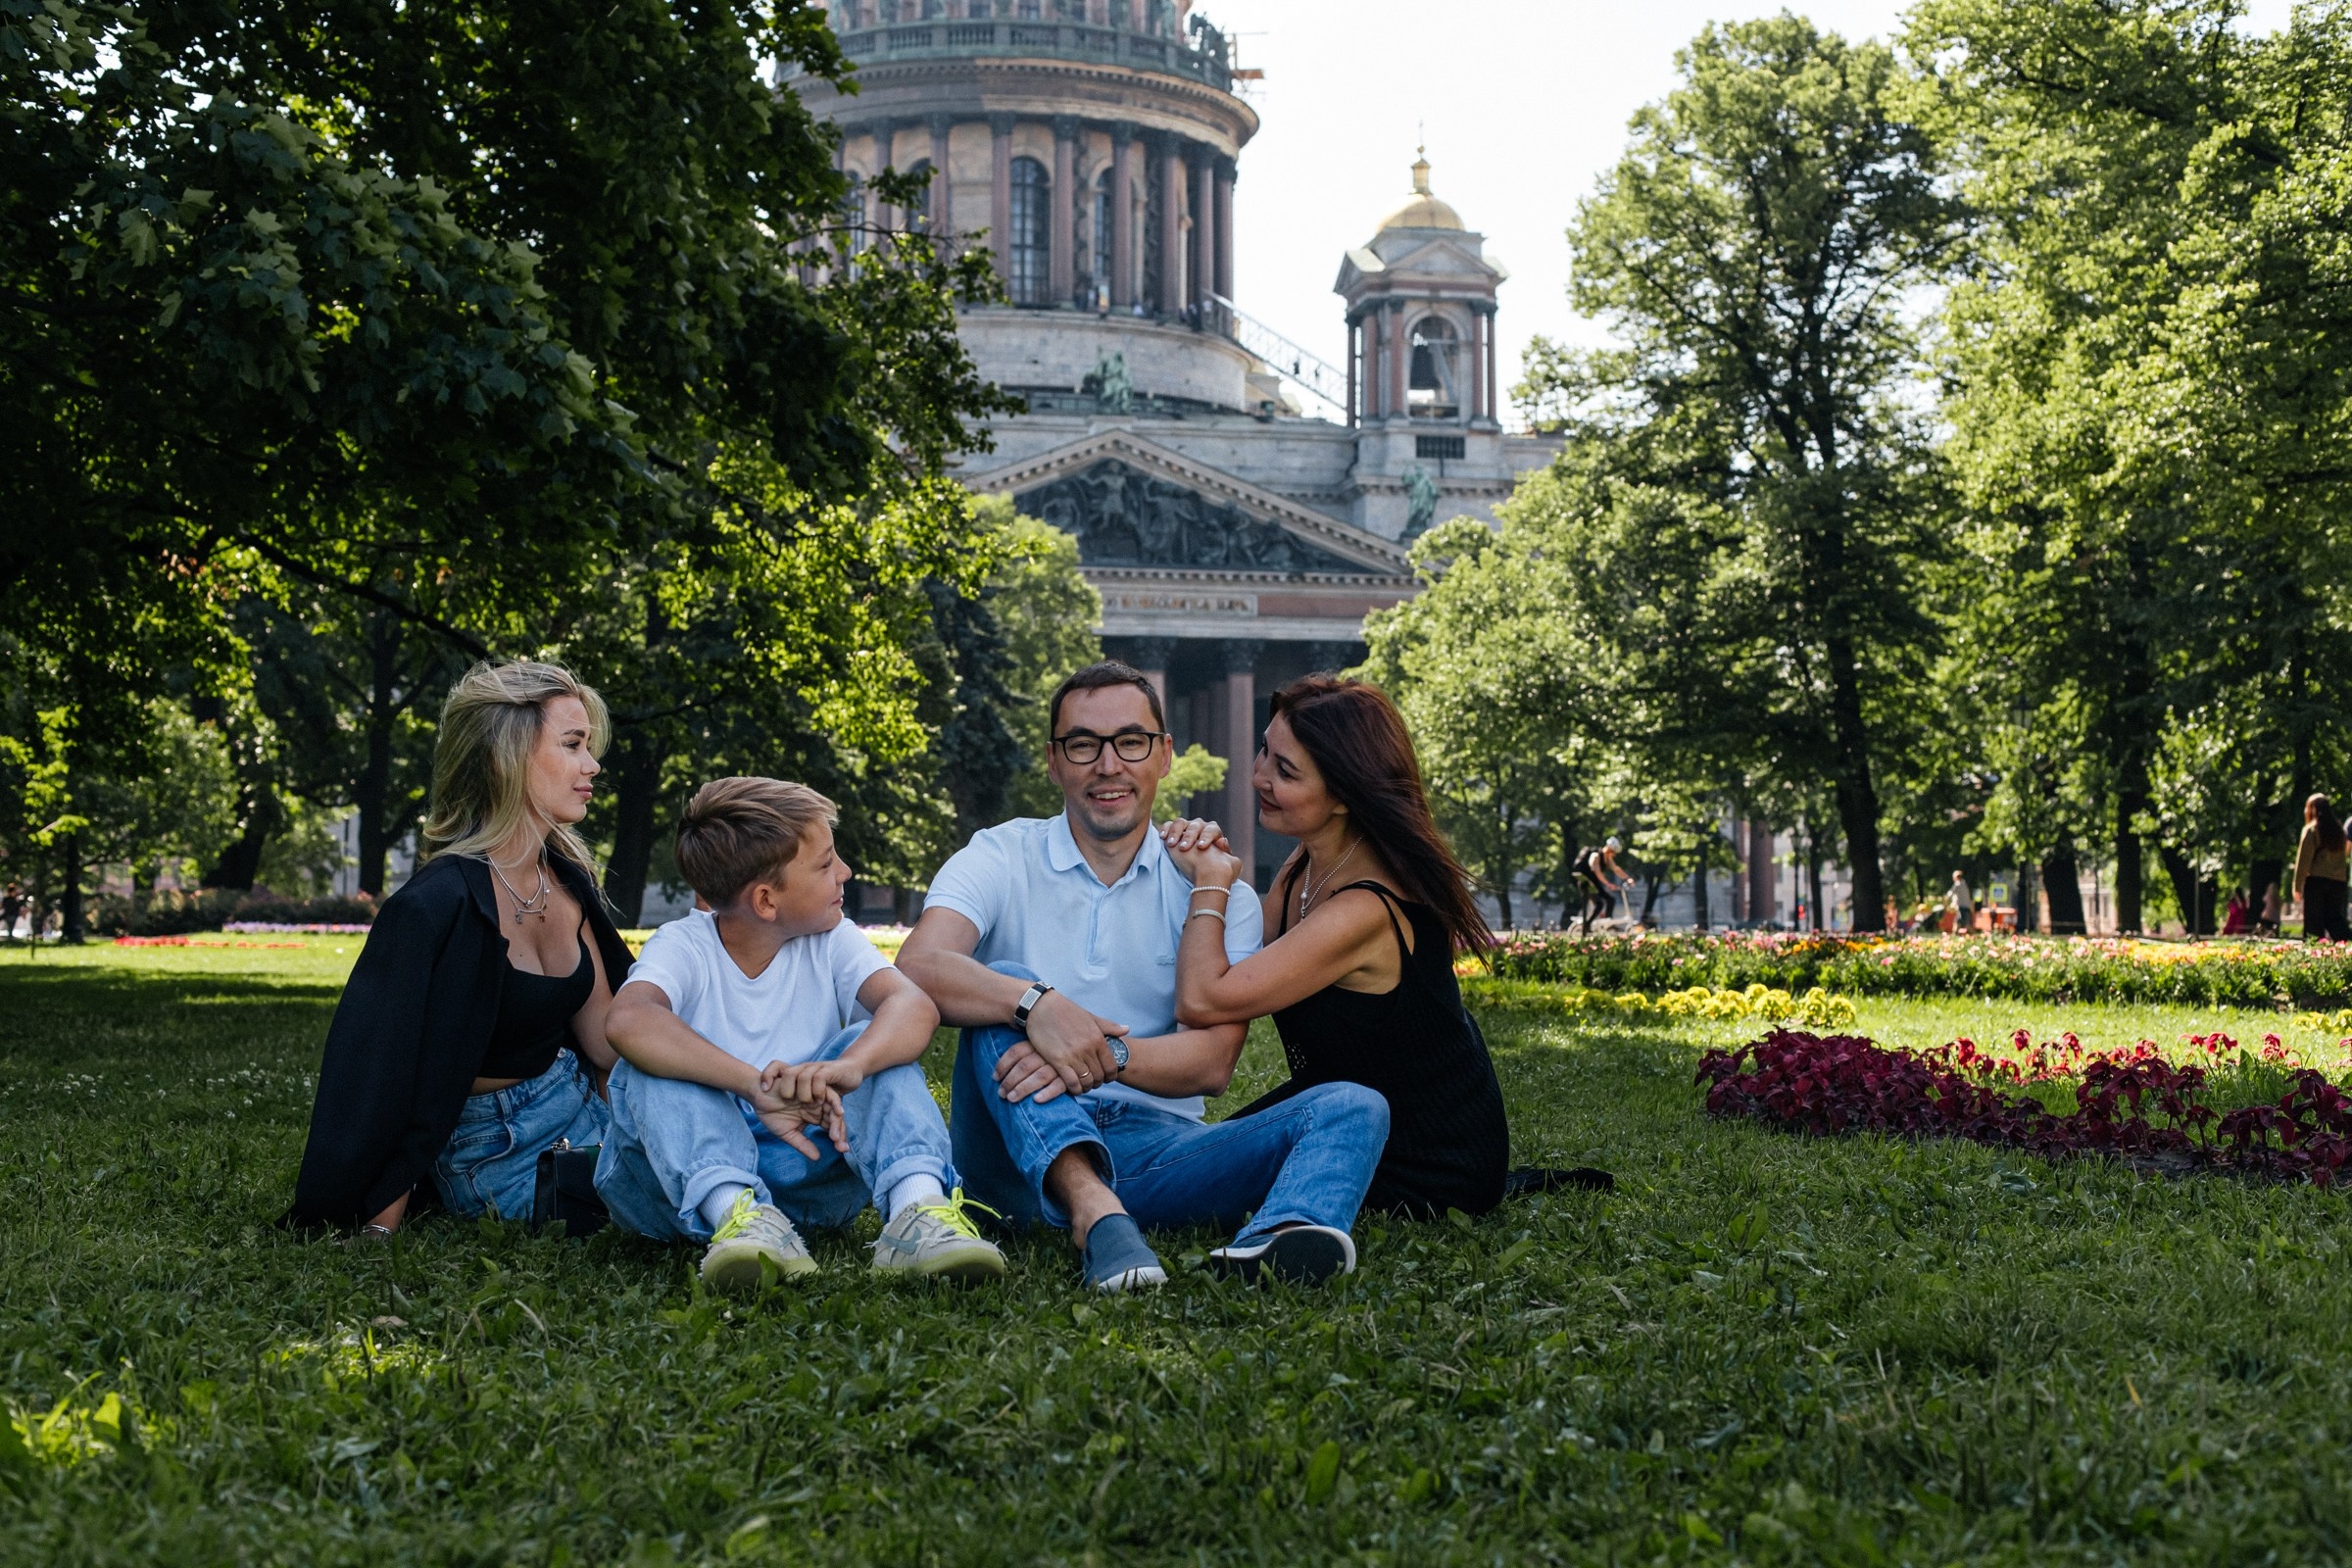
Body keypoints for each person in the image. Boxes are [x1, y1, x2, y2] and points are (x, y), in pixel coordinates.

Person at [895, 661, 1388, 1293]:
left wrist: (1093, 1053)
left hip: (1155, 1153)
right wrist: (1041, 1009)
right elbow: (920, 964)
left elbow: (1212, 1063)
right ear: (1054, 761)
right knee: (1008, 986)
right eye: (1083, 744)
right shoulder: (1000, 854)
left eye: (1131, 742)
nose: (1108, 765)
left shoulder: (1219, 893)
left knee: (1354, 1104)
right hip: (1013, 1155)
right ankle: (1094, 1213)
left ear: (1163, 755)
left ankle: (1280, 1237)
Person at [595, 778, 1004, 1294]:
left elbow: (912, 1007)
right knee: (647, 1065)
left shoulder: (833, 940)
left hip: (809, 1177)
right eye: (826, 863)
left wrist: (851, 1066)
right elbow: (628, 1021)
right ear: (766, 900)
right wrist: (754, 1086)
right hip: (675, 1191)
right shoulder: (683, 945)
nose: (845, 873)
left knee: (879, 1047)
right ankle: (738, 1216)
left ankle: (919, 1211)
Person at [286, 661, 633, 1233]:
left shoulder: (566, 880)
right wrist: (377, 1229)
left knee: (737, 1160)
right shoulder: (435, 906)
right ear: (508, 755)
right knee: (659, 1209)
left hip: (578, 1107)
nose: (592, 765)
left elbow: (607, 1044)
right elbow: (388, 1075)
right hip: (494, 1145)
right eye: (572, 744)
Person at [1162, 675, 1509, 1220]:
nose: (1258, 777)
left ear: (1346, 795)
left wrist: (1212, 881)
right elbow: (1238, 964)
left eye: (1286, 771)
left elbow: (1205, 999)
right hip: (1341, 1107)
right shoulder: (1305, 865)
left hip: (1426, 1158)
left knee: (1191, 1185)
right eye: (1264, 751)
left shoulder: (1365, 909)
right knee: (1196, 1163)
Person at [2294, 795, 2349, 942]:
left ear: (2312, 809)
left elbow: (2303, 860)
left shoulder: (2312, 830)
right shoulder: (2339, 831)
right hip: (2338, 882)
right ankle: (2348, 945)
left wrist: (2297, 887)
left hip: (2317, 882)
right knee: (2334, 919)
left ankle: (2314, 953)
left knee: (2313, 923)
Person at [1574, 839, 1635, 933]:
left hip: (1596, 884)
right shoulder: (1596, 856)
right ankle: (1587, 925)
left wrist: (1627, 878)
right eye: (1613, 852)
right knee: (1599, 904)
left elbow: (1616, 869)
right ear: (1609, 849)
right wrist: (1608, 884)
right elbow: (1597, 872)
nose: (1614, 855)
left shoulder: (1608, 859)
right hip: (1587, 883)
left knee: (1611, 899)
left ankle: (1608, 924)